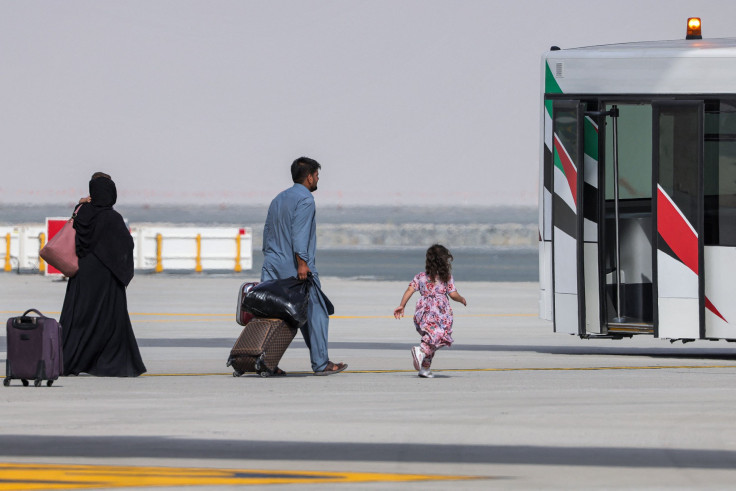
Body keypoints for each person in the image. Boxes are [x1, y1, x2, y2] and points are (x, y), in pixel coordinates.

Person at [261, 157, 347, 376]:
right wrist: (302, 265)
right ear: (309, 177)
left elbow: (267, 235)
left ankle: (264, 362)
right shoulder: (306, 199)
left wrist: (271, 264)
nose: (318, 178)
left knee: (274, 318)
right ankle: (321, 364)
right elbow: (300, 235)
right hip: (296, 269)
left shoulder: (278, 199)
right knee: (317, 312)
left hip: (272, 266)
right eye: (317, 175)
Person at [59, 172, 146, 377]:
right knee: (110, 319)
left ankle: (68, 360)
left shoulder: (82, 212)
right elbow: (126, 245)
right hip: (107, 275)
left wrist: (79, 205)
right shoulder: (111, 217)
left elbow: (75, 229)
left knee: (78, 318)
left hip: (82, 273)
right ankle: (110, 361)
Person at [393, 244, 467, 378]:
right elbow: (453, 294)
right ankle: (420, 351)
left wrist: (402, 305)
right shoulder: (446, 278)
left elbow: (410, 289)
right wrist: (461, 299)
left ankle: (425, 368)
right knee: (441, 336)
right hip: (439, 313)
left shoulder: (420, 276)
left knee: (431, 339)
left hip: (422, 312)